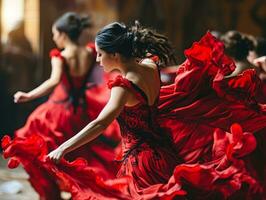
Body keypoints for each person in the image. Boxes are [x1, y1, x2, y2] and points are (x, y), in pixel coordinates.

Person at [5, 21, 266, 199]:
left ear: (115, 55)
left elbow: (99, 123)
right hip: (164, 150)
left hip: (142, 162)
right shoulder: (149, 67)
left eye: (99, 54)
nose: (97, 60)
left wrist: (63, 148)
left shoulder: (124, 85)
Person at [1, 12, 120, 200]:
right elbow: (100, 78)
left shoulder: (60, 56)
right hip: (81, 113)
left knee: (38, 149)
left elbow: (53, 81)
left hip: (59, 114)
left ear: (63, 34)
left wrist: (28, 95)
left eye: (55, 34)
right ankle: (76, 192)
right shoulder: (90, 52)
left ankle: (52, 194)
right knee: (79, 157)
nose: (54, 38)